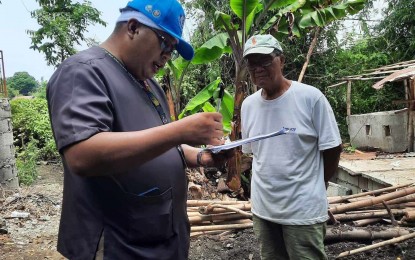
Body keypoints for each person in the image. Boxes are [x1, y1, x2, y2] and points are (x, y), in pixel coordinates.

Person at [47, 0, 230, 259]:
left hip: (159, 237)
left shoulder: (148, 84)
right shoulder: (84, 72)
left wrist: (201, 156)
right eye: (165, 43)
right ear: (133, 27)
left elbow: (164, 143)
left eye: (173, 50)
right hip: (118, 244)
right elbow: (82, 154)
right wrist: (180, 130)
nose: (168, 56)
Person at [241, 34, 342, 260]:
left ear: (282, 60)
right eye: (252, 63)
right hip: (263, 211)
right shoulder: (248, 106)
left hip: (302, 211)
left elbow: (333, 148)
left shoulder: (310, 98)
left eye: (265, 60)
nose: (258, 68)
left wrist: (319, 184)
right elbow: (254, 155)